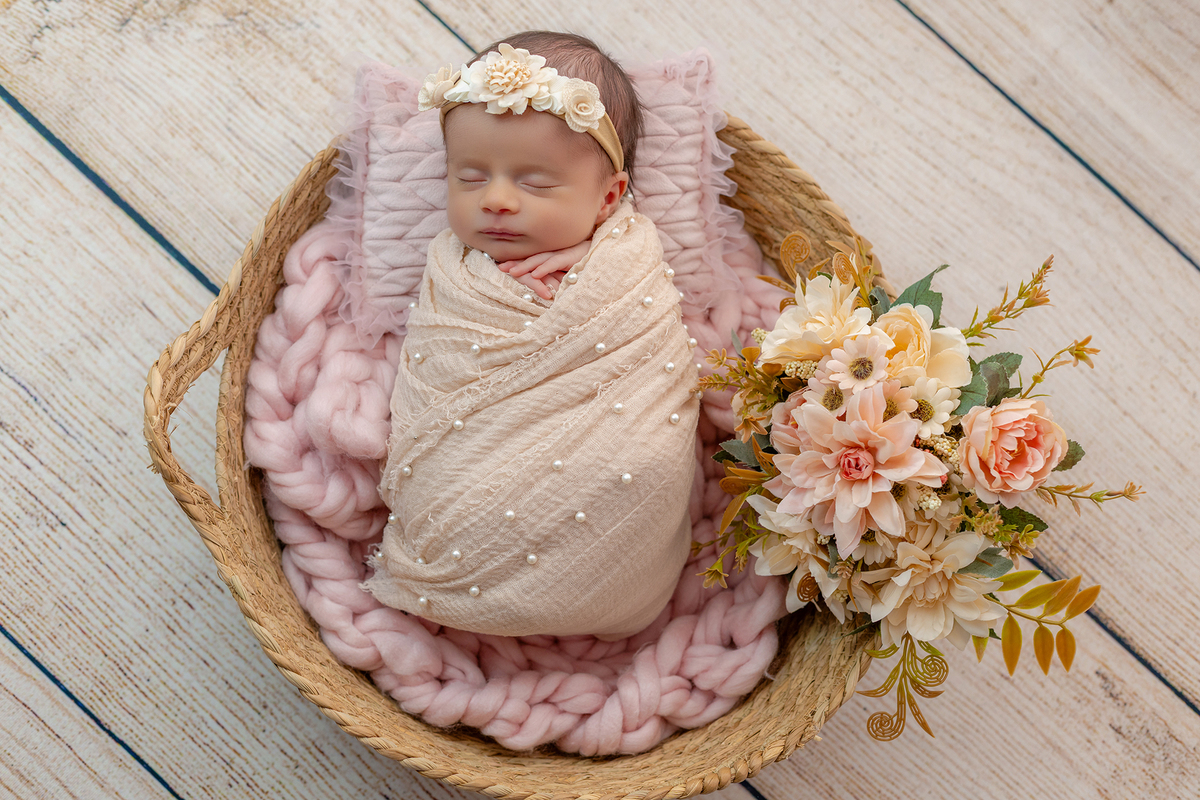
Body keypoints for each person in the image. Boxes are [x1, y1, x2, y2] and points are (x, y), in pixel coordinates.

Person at [364, 32, 701, 639]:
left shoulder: (625, 258)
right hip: (465, 477)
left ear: (609, 198)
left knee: (641, 459)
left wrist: (590, 263)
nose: (496, 200)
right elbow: (437, 362)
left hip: (615, 472)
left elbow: (638, 308)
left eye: (537, 184)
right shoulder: (454, 270)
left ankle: (605, 575)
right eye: (470, 178)